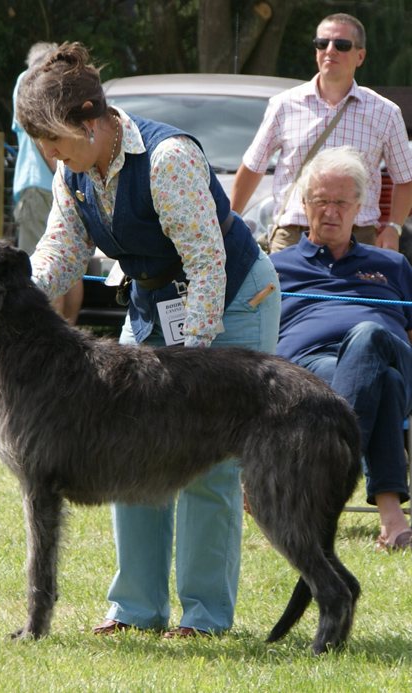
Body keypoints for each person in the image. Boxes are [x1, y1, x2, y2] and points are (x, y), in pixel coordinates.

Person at [15, 42, 282, 636]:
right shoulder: (73, 171)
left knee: (207, 458)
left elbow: (208, 265)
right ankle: (136, 610)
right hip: (154, 303)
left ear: (89, 124)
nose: (47, 153)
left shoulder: (168, 161)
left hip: (234, 301)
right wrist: (15, 293)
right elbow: (60, 253)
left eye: (52, 140)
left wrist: (193, 368)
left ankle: (206, 616)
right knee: (129, 449)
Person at [271, 145, 412, 551]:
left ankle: (319, 487)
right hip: (310, 375)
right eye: (321, 201)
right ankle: (392, 520)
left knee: (370, 338)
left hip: (396, 361)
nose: (330, 211)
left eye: (340, 202)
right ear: (304, 202)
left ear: (359, 207)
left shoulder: (393, 266)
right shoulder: (277, 268)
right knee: (380, 380)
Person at [231, 13, 412, 254]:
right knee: (285, 294)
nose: (330, 50)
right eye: (321, 43)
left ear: (360, 56)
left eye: (342, 45)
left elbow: (405, 178)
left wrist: (393, 227)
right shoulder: (283, 105)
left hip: (358, 239)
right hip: (293, 237)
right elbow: (253, 167)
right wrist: (229, 224)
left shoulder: (385, 112)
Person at [13, 42, 84, 324]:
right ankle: (68, 336)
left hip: (38, 186)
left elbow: (35, 133)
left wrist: (62, 174)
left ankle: (50, 342)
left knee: (41, 267)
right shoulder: (63, 87)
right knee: (70, 266)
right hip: (64, 184)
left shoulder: (28, 82)